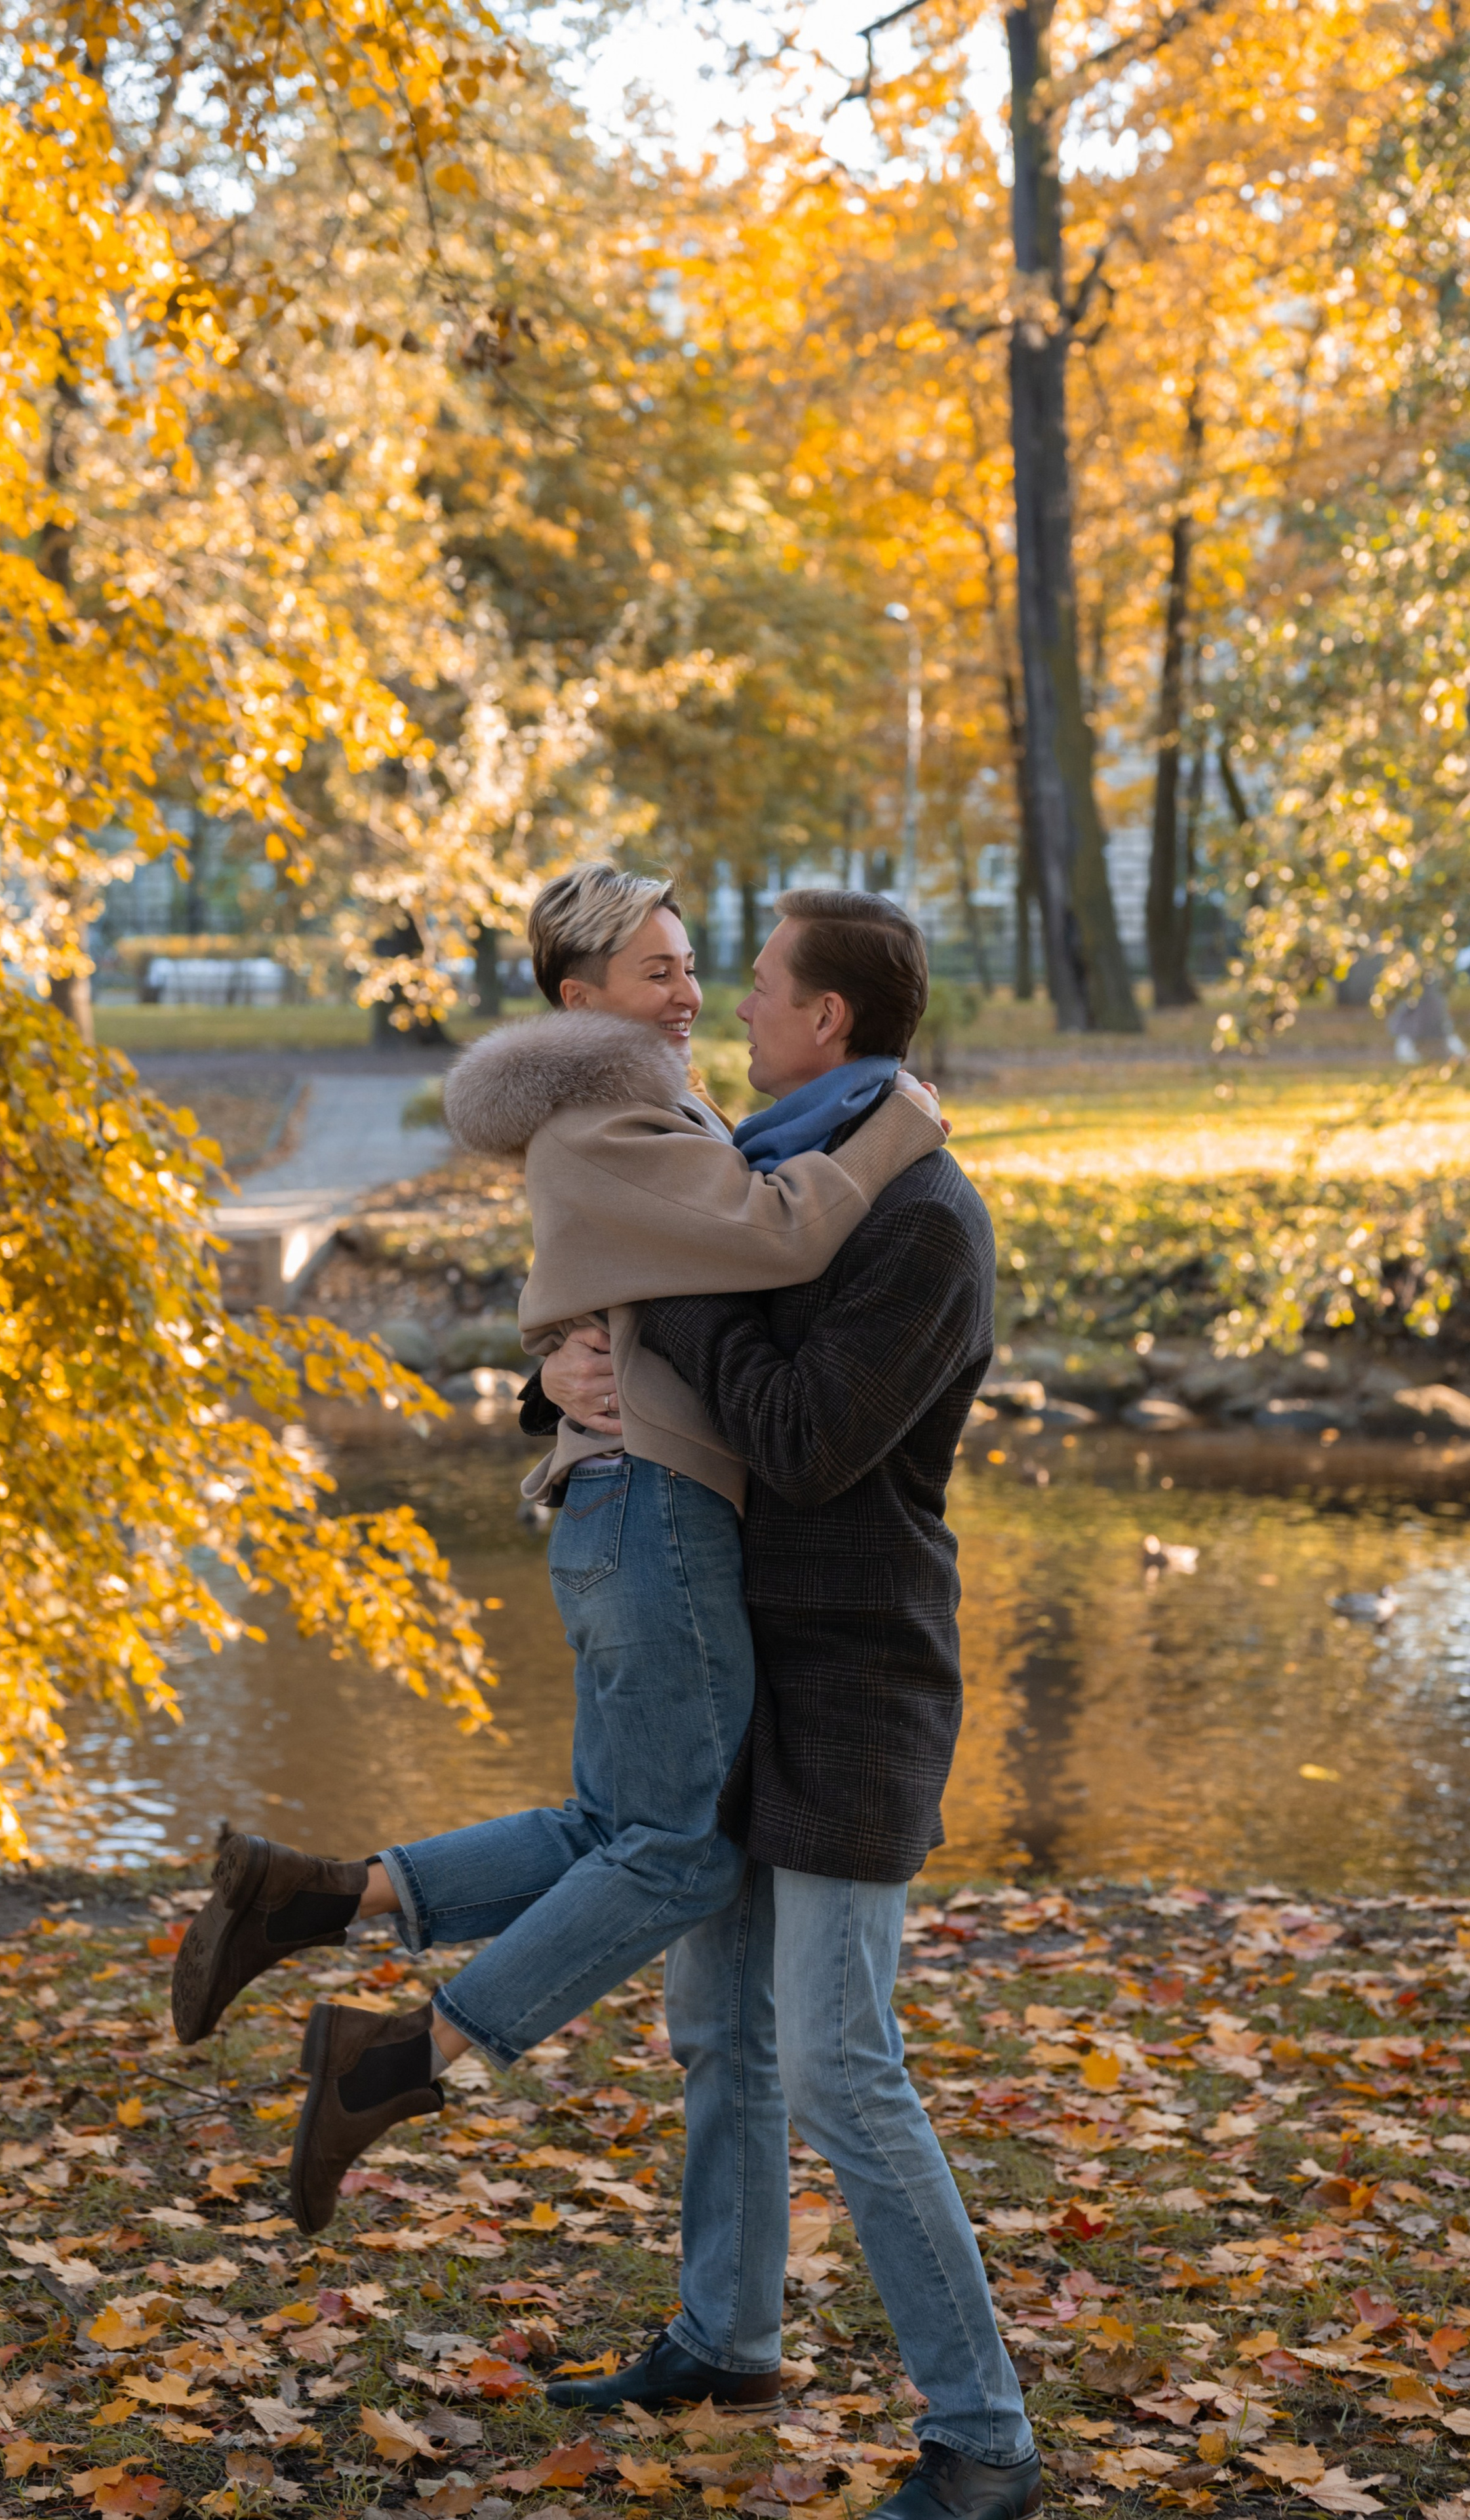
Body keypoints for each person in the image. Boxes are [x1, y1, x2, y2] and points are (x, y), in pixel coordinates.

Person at [169, 864, 944, 2243]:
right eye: (658, 973)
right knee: (679, 1855)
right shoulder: (612, 1112)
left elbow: (645, 1279)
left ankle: (312, 1896)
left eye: (697, 965)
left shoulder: (646, 1099)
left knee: (617, 1828)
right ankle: (401, 2057)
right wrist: (897, 1125)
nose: (692, 993)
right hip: (645, 1508)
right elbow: (761, 1236)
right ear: (579, 997)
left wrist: (565, 1354)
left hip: (637, 1498)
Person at [534, 892, 1041, 2520]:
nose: (728, 1009)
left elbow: (807, 1436)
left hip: (858, 1673)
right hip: (733, 1660)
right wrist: (559, 1363)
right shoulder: (771, 1171)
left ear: (828, 1020)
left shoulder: (920, 1223)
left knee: (836, 2061)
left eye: (756, 987)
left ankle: (984, 2436)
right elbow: (620, 1307)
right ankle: (725, 2337)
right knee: (717, 2033)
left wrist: (666, 1300)